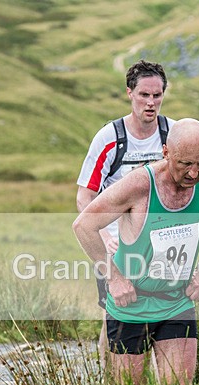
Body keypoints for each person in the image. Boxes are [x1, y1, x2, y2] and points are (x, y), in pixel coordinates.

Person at [73, 119, 199, 385]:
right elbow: (84, 225)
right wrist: (115, 278)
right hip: (131, 304)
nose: (194, 173)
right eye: (185, 164)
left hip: (176, 302)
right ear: (166, 152)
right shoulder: (138, 185)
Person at [76, 60, 175, 367]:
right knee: (115, 313)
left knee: (166, 313)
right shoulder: (110, 138)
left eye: (157, 95)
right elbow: (85, 196)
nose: (151, 102)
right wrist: (105, 238)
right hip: (118, 246)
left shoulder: (173, 134)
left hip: (162, 244)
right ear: (129, 93)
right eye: (144, 94)